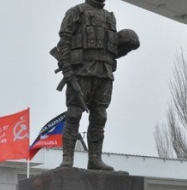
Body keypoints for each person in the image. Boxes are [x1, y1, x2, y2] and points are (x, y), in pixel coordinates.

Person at [54, 0, 139, 170]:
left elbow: (111, 49)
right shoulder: (75, 12)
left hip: (105, 72)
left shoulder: (109, 17)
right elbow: (64, 42)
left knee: (100, 117)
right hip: (81, 72)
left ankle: (95, 159)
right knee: (74, 115)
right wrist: (67, 70)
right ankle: (67, 158)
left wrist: (126, 43)